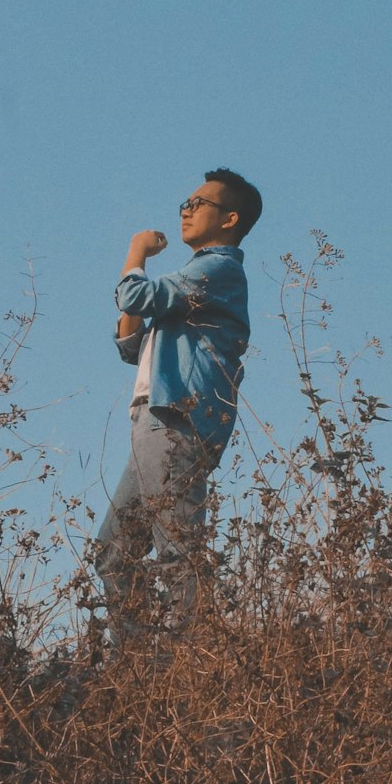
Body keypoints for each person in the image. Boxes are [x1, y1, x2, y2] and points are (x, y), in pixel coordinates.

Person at [95, 167, 262, 644]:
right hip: (156, 416)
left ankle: (193, 662)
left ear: (229, 219)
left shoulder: (219, 269)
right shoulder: (195, 281)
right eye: (184, 203)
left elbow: (136, 294)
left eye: (198, 203)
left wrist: (136, 253)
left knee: (177, 549)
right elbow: (131, 345)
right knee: (113, 552)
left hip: (176, 418)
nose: (186, 210)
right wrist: (139, 298)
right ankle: (134, 664)